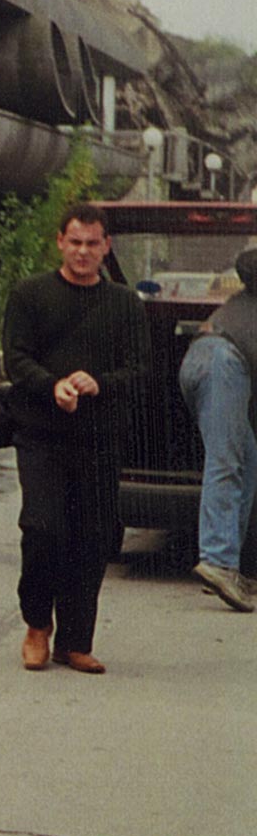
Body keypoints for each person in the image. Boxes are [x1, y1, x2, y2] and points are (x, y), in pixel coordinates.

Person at [2, 201, 151, 673]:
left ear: (107, 247)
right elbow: (16, 359)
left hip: (99, 438)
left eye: (92, 243)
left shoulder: (125, 304)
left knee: (93, 538)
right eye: (75, 242)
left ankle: (75, 640)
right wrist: (54, 386)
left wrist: (98, 383)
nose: (83, 252)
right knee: (43, 527)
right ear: (60, 243)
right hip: (42, 434)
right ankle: (36, 625)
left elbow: (141, 369)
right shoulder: (29, 295)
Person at [178, 244, 257, 612]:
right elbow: (247, 260)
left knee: (247, 459)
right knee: (226, 459)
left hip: (208, 358)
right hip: (222, 360)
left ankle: (231, 566)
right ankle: (219, 559)